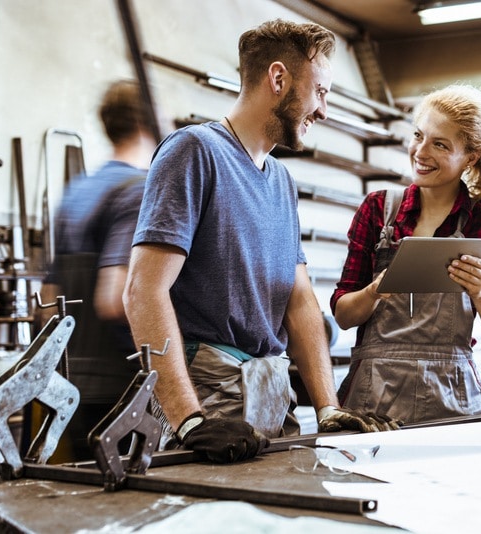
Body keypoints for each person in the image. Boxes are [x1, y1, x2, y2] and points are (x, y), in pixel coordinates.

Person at [123, 19, 397, 465]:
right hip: (207, 396)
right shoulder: (195, 152)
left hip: (272, 390)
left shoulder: (282, 182)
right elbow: (143, 291)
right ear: (278, 79)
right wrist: (189, 420)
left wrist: (328, 407)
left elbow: (300, 301)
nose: (323, 111)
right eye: (321, 91)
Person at [331, 83, 481, 425]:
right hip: (372, 398)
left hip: (452, 399)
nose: (420, 152)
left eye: (440, 144)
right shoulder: (378, 210)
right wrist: (376, 290)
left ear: (470, 157)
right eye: (418, 135)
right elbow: (342, 315)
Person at [49, 79, 157, 460]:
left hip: (69, 384)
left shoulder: (78, 190)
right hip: (119, 387)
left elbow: (48, 301)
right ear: (151, 121)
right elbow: (114, 300)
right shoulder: (138, 190)